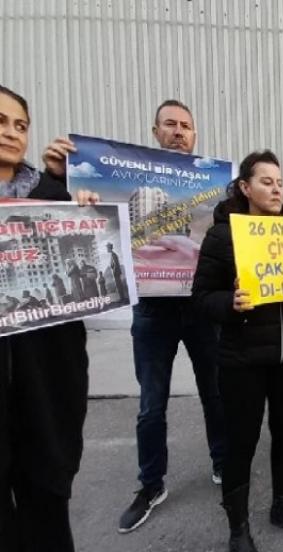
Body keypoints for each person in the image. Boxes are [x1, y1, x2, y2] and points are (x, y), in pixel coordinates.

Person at [50, 100, 227, 533]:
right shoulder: (128, 179)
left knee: (216, 394)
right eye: (170, 124)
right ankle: (151, 484)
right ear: (155, 131)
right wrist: (60, 179)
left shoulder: (208, 185)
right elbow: (91, 223)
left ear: (194, 135)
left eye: (186, 126)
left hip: (200, 308)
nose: (179, 132)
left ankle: (224, 463)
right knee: (151, 406)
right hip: (151, 310)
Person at [192, 150, 283, 552]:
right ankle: (238, 526)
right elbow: (201, 297)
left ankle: (281, 503)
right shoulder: (222, 235)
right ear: (245, 187)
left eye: (279, 183)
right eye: (266, 182)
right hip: (242, 361)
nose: (276, 189)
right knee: (240, 442)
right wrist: (230, 303)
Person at [0, 84, 90, 552]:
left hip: (45, 383)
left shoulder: (52, 195)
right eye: (1, 122)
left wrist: (85, 206)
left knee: (48, 507)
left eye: (20, 125)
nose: (11, 133)